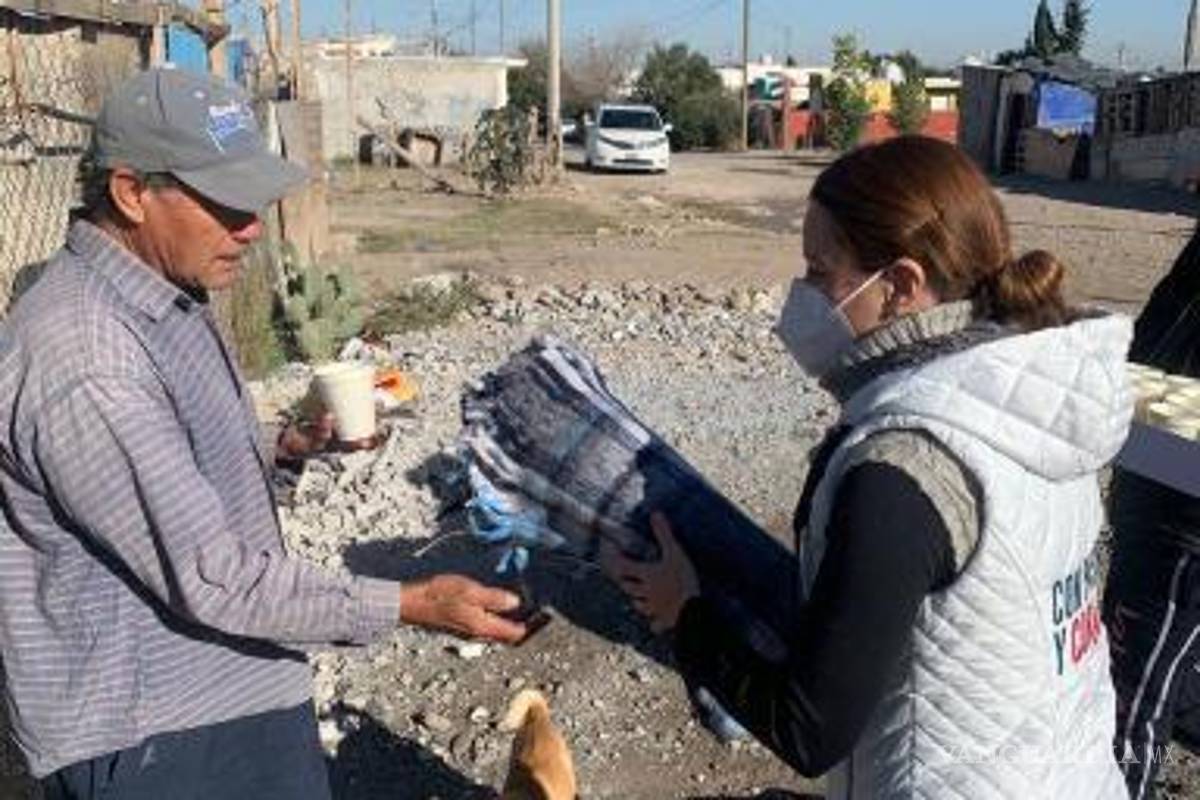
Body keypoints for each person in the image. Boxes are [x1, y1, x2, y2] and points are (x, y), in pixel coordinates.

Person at [0, 68, 526, 800]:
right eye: (223, 201)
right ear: (130, 193)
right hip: (154, 737)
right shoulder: (86, 357)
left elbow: (164, 460)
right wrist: (409, 603)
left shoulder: (161, 294)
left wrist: (281, 444)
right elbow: (213, 575)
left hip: (222, 690)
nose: (250, 226)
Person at [604, 136, 1132, 799]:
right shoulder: (1031, 400)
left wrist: (686, 612)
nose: (801, 295)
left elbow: (810, 729)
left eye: (821, 271)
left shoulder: (904, 465)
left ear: (903, 286)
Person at [1103, 222, 1200, 800]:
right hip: (1152, 484)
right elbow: (1148, 342)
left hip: (1182, 528)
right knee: (1158, 678)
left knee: (1130, 702)